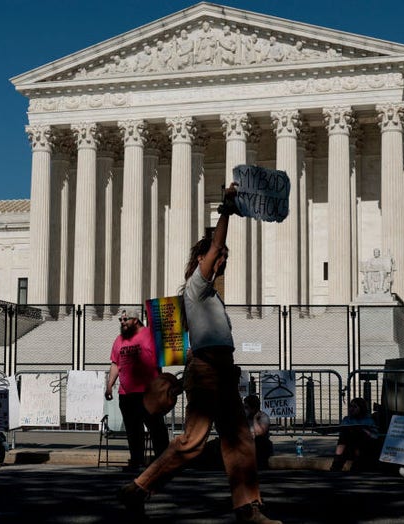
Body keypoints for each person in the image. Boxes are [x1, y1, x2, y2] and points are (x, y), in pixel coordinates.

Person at [118, 183, 280, 524]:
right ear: (201, 260)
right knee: (192, 441)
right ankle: (138, 487)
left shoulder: (210, 297)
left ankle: (248, 506)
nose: (221, 261)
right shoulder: (197, 287)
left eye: (223, 259)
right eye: (217, 257)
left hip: (220, 369)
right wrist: (226, 210)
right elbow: (217, 242)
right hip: (207, 371)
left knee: (240, 440)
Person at [105, 307, 169, 472]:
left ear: (135, 320)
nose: (122, 322)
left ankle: (163, 461)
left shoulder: (150, 335)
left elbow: (163, 356)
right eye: (120, 320)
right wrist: (109, 386)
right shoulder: (119, 340)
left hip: (148, 392)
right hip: (126, 394)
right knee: (133, 430)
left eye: (125, 320)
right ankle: (136, 460)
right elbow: (115, 364)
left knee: (156, 427)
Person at [330, 397, 381, 472]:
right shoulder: (347, 419)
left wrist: (365, 431)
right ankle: (336, 463)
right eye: (351, 406)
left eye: (355, 407)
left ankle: (355, 465)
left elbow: (375, 436)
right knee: (344, 436)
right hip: (349, 447)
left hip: (364, 447)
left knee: (359, 435)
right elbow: (342, 432)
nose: (351, 409)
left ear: (361, 408)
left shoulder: (368, 420)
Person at [244, 394, 273, 469]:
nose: (245, 409)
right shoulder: (245, 417)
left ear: (254, 408)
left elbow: (259, 433)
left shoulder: (263, 417)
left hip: (260, 446)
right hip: (247, 445)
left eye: (246, 407)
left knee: (259, 440)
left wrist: (255, 419)